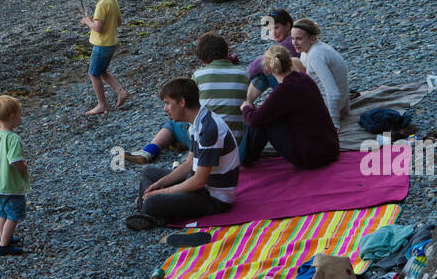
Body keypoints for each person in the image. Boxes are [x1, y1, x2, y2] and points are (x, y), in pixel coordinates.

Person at [125, 78, 238, 228]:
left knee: (152, 201)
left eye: (167, 103)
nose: (165, 109)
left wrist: (163, 192)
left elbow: (199, 181)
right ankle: (155, 213)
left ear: (182, 102)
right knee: (149, 174)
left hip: (214, 198)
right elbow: (189, 164)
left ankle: (152, 212)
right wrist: (159, 185)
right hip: (199, 187)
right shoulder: (197, 122)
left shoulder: (209, 129)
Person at [123, 32, 249, 165]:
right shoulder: (244, 73)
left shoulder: (199, 75)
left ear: (202, 57)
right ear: (225, 51)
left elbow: (191, 105)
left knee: (172, 124)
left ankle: (148, 152)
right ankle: (178, 144)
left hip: (207, 139)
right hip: (237, 140)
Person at [240, 45, 340, 169]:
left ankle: (242, 161)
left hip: (310, 157)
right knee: (266, 114)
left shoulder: (284, 90)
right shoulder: (305, 78)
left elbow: (254, 119)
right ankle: (244, 157)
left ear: (269, 71)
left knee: (259, 119)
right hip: (330, 147)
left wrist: (246, 107)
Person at [80, 0, 129, 115]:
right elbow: (118, 22)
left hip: (101, 45)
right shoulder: (113, 0)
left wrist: (88, 21)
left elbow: (98, 28)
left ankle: (102, 104)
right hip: (111, 43)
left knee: (93, 74)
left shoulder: (101, 5)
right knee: (102, 71)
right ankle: (121, 91)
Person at [0, 94, 29, 255]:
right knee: (14, 214)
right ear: (12, 117)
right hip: (10, 184)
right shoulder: (13, 138)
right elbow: (14, 160)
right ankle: (4, 246)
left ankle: (4, 236)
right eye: (19, 114)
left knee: (2, 212)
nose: (20, 117)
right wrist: (23, 166)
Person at [289, 18, 350, 124]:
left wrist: (334, 123)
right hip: (339, 104)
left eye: (299, 39)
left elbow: (333, 92)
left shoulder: (316, 55)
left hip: (330, 108)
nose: (294, 43)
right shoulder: (307, 50)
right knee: (292, 62)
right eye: (292, 38)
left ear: (312, 38)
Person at [244, 9, 301, 107]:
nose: (273, 33)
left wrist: (246, 77)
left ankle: (247, 104)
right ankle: (248, 104)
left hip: (300, 87)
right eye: (270, 30)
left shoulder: (290, 42)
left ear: (287, 26)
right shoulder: (294, 37)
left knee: (264, 73)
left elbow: (258, 65)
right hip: (301, 81)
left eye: (276, 28)